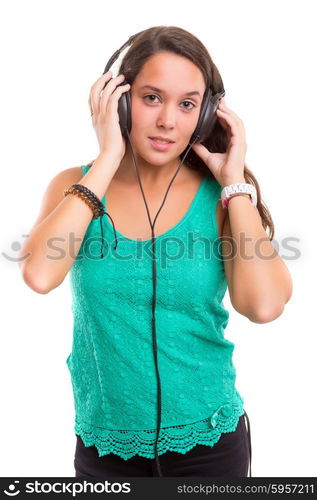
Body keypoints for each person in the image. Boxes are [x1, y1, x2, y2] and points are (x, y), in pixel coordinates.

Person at [19, 26, 292, 478]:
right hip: (105, 446)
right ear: (119, 101)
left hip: (211, 444)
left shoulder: (221, 199)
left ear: (206, 115)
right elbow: (39, 275)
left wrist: (234, 184)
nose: (168, 120)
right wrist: (108, 157)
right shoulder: (77, 186)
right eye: (151, 98)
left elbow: (263, 306)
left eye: (187, 104)